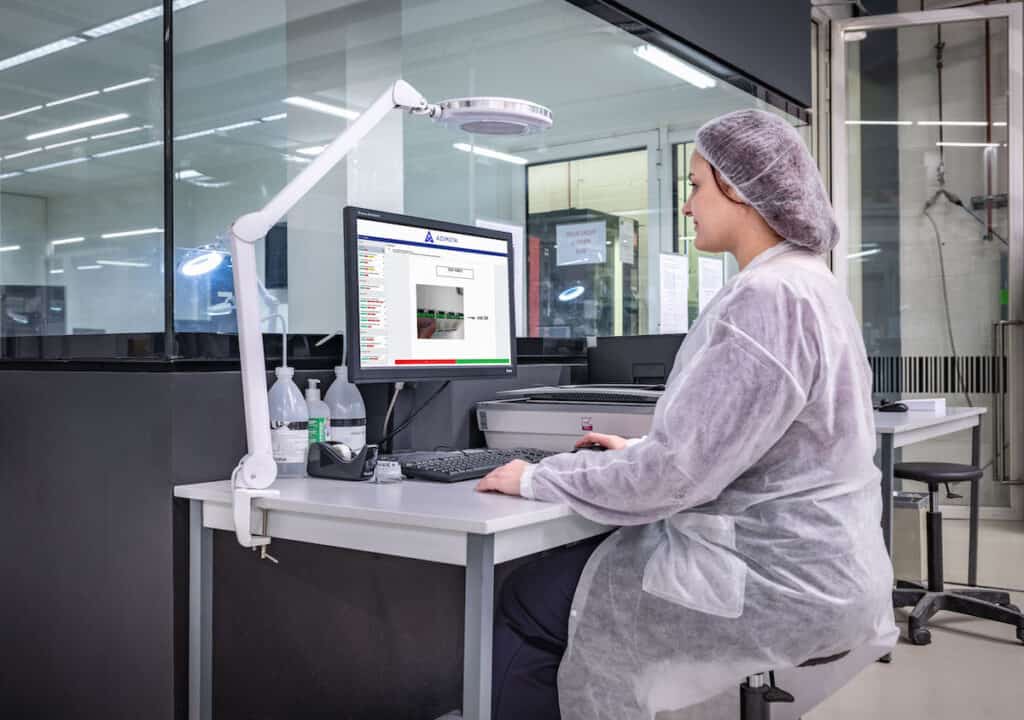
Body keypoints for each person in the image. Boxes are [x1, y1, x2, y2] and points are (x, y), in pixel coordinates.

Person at [476, 110, 898, 720]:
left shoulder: (765, 296)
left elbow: (672, 480)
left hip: (769, 578)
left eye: (696, 185)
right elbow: (747, 446)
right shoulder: (810, 282)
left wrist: (537, 477)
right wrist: (641, 453)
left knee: (527, 600)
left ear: (742, 190)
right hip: (828, 564)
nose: (687, 205)